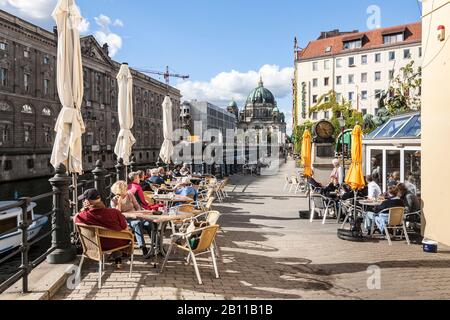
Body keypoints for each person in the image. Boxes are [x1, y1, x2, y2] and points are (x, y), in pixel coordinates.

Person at [75, 189, 130, 268]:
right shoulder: (115, 212)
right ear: (99, 199)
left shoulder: (84, 215)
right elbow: (125, 227)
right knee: (117, 233)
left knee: (109, 235)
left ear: (87, 201)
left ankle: (116, 258)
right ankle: (118, 259)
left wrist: (82, 210)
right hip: (117, 243)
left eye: (84, 200)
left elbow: (75, 219)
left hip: (96, 245)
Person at [111, 181, 152, 257]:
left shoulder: (129, 194)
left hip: (136, 216)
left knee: (149, 223)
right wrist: (119, 203)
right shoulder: (114, 200)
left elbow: (137, 205)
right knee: (136, 224)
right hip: (125, 219)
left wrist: (140, 213)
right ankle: (143, 247)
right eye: (124, 189)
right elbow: (118, 214)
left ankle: (157, 246)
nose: (126, 190)